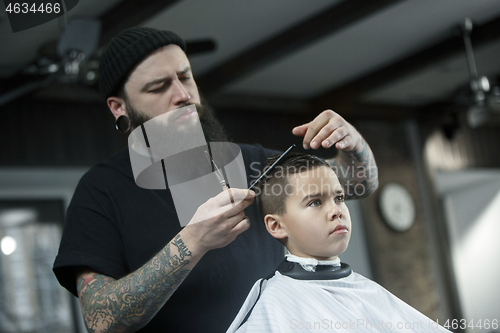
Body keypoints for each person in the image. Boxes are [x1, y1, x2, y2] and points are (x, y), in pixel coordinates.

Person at [52, 27, 379, 333]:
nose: (182, 95)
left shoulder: (252, 163)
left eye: (185, 77)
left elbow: (356, 185)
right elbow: (99, 318)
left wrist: (354, 144)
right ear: (118, 107)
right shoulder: (101, 191)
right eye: (158, 87)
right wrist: (193, 242)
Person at [227, 153, 450, 333]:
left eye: (339, 198)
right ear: (276, 226)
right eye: (315, 202)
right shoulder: (275, 306)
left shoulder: (367, 291)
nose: (336, 210)